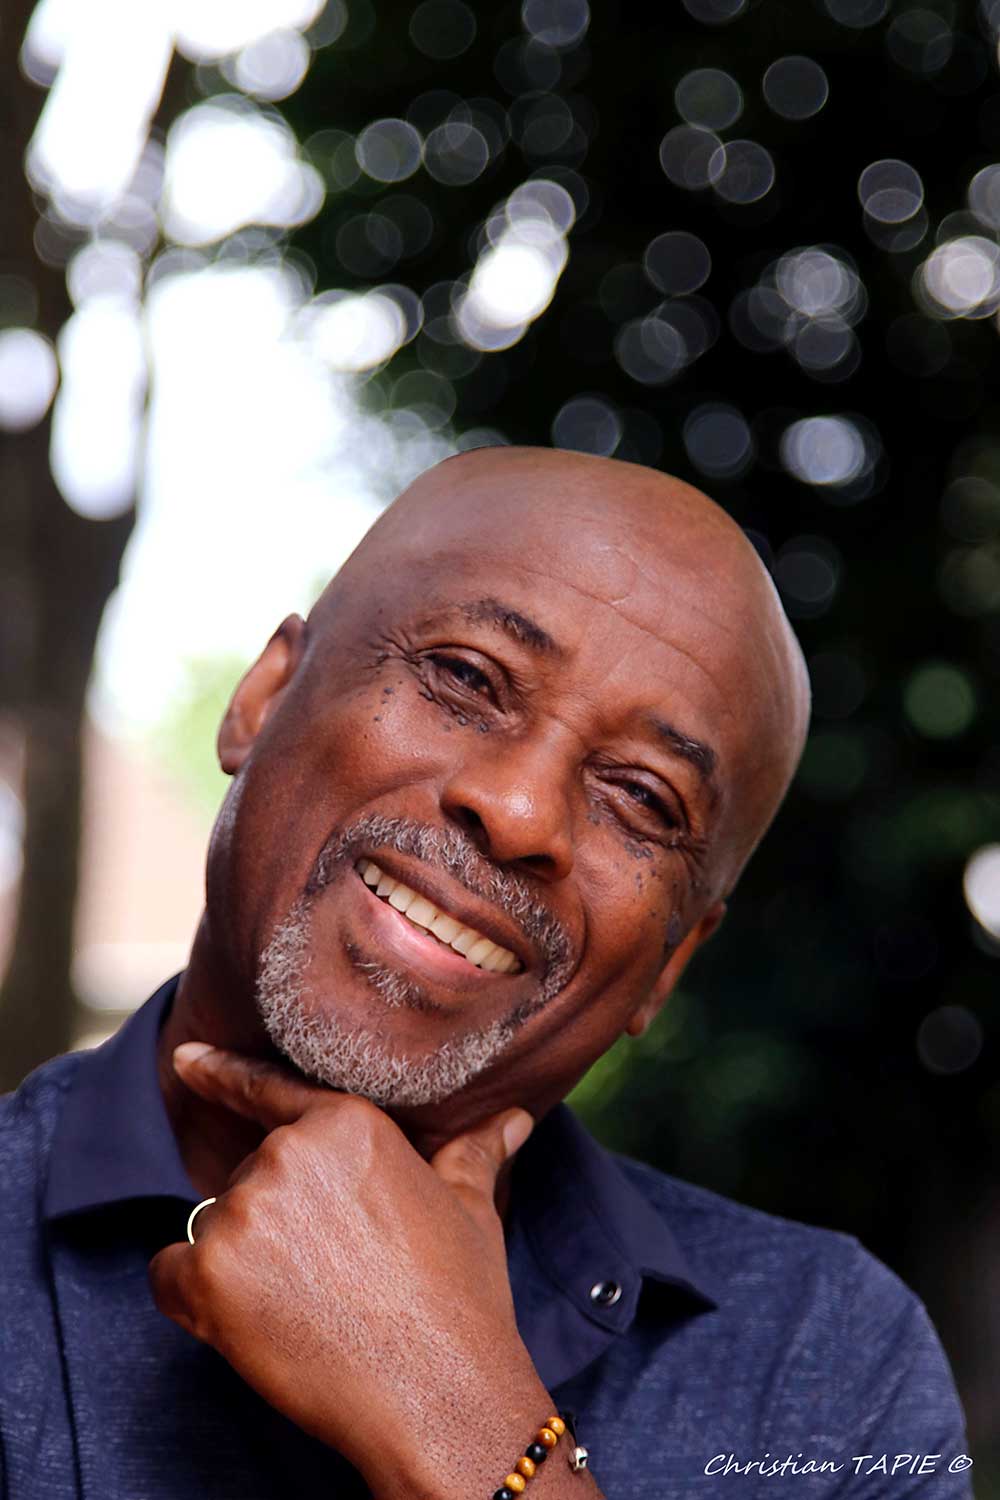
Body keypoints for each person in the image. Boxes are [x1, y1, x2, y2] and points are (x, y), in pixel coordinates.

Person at [0, 447, 971, 1500]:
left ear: (673, 961)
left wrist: (459, 1415)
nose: (517, 811)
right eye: (465, 679)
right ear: (264, 698)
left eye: (644, 798)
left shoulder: (828, 1371)